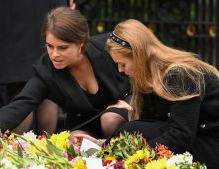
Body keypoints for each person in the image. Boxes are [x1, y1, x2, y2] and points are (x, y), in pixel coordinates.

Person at [72, 19, 219, 168]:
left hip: (209, 143)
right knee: (132, 130)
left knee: (133, 132)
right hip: (192, 138)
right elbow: (149, 122)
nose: (120, 70)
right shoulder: (149, 75)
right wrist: (102, 144)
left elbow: (181, 135)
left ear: (139, 56)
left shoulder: (180, 73)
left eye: (122, 64)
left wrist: (134, 156)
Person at [0, 6, 131, 141]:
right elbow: (18, 106)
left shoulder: (108, 47)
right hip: (85, 129)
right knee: (73, 140)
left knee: (110, 118)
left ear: (81, 43)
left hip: (125, 118)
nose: (54, 54)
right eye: (50, 46)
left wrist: (133, 102)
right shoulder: (47, 72)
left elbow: (146, 65)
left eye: (62, 48)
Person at [0, 0, 69, 135]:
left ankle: (15, 150)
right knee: (49, 87)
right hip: (46, 9)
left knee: (22, 88)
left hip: (17, 12)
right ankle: (47, 150)